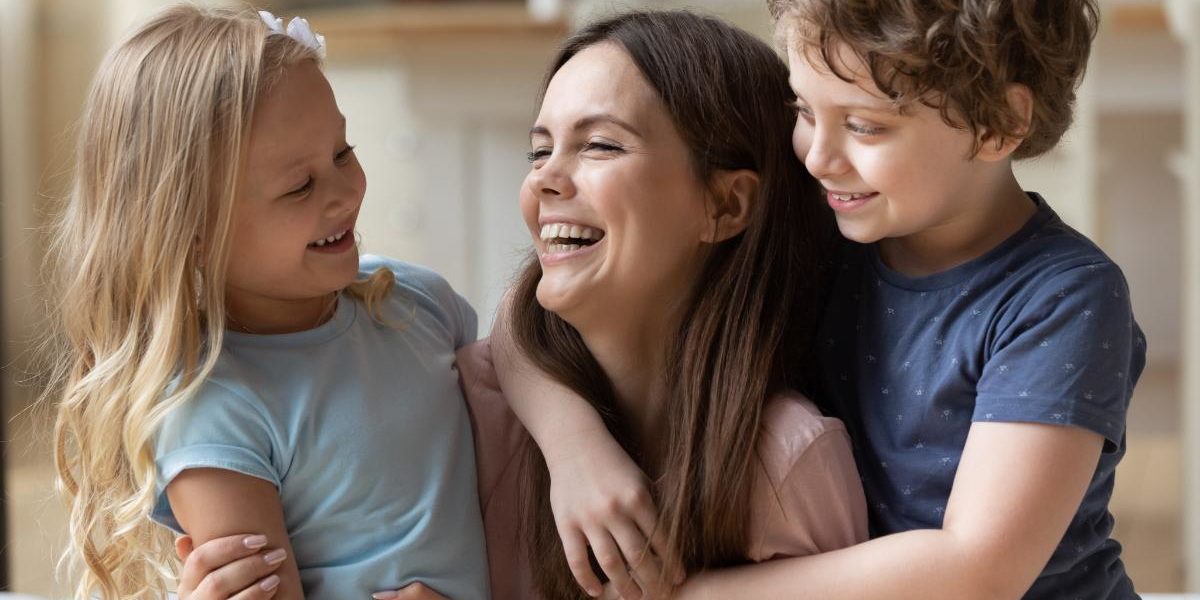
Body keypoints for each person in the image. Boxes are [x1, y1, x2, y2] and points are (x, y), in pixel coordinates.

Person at [173, 10, 868, 600]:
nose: (546, 181)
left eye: (599, 144)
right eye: (538, 152)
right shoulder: (472, 409)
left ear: (725, 204)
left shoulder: (786, 467)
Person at [488, 0, 1147, 598]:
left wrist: (687, 594)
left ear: (999, 124)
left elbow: (976, 569)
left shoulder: (1062, 298)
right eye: (804, 112)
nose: (818, 156)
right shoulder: (838, 223)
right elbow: (533, 311)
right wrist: (574, 448)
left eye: (863, 125)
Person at [43, 6, 486, 599]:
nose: (344, 192)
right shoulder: (215, 414)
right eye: (299, 186)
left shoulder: (418, 302)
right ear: (193, 231)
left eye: (342, 151)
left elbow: (520, 414)